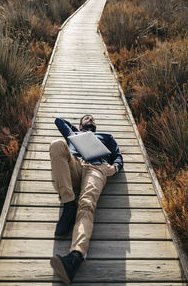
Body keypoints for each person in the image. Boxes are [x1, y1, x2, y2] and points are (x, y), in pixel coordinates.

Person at [50, 114, 123, 284]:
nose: (90, 118)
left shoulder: (106, 137)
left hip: (97, 168)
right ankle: (68, 204)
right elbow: (58, 121)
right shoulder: (73, 134)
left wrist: (115, 167)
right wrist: (77, 132)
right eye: (86, 117)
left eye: (92, 118)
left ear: (95, 125)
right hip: (76, 164)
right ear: (80, 125)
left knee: (87, 203)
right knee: (56, 145)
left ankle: (75, 256)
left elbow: (118, 155)